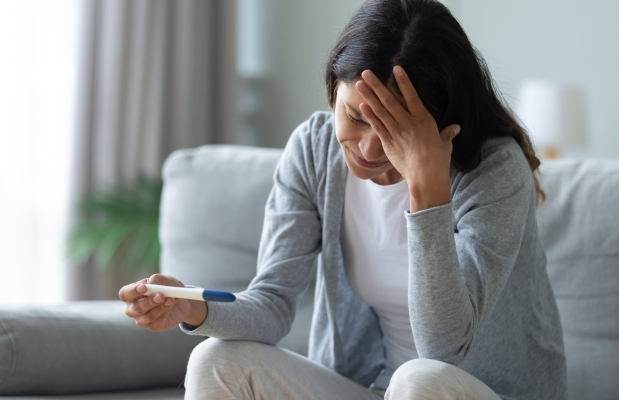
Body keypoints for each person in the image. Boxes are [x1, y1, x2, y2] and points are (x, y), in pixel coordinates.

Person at [119, 0, 567, 398]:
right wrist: (192, 308)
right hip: (369, 387)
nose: (370, 150)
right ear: (333, 89)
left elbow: (443, 348)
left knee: (419, 379)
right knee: (215, 360)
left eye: (395, 129)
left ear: (441, 121)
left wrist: (427, 186)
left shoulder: (493, 169)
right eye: (356, 116)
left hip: (467, 391)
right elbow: (272, 303)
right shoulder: (314, 151)